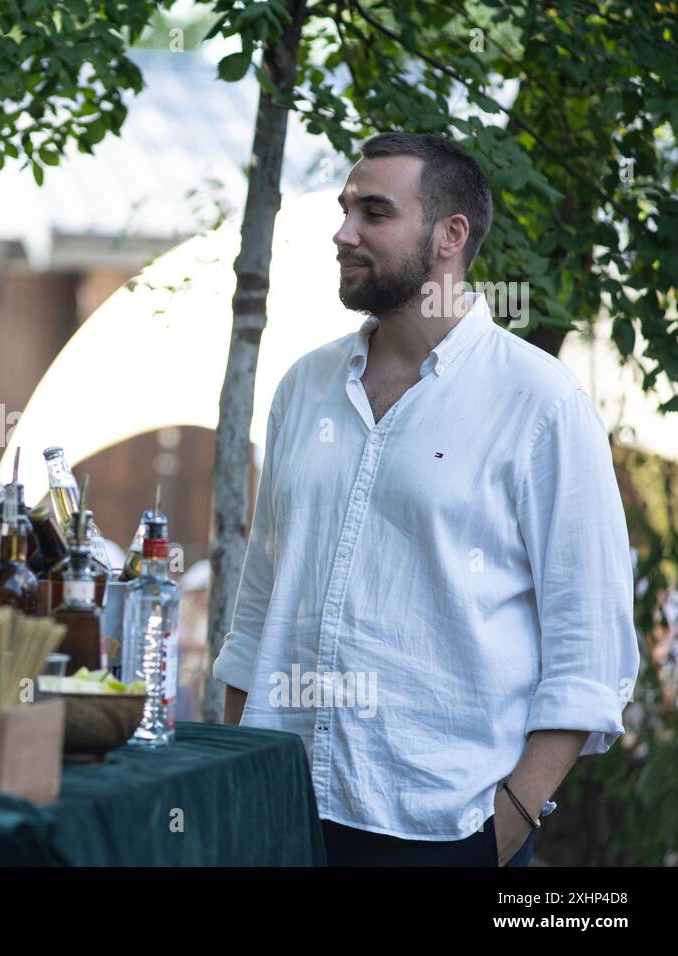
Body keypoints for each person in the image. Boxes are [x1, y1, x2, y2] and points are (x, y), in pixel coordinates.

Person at [213, 132, 639, 866]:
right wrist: (238, 776)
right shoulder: (302, 387)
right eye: (346, 209)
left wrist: (501, 833)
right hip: (282, 814)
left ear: (450, 236)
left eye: (373, 213)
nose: (343, 233)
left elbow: (590, 654)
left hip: (444, 830)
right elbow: (257, 609)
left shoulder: (542, 404)